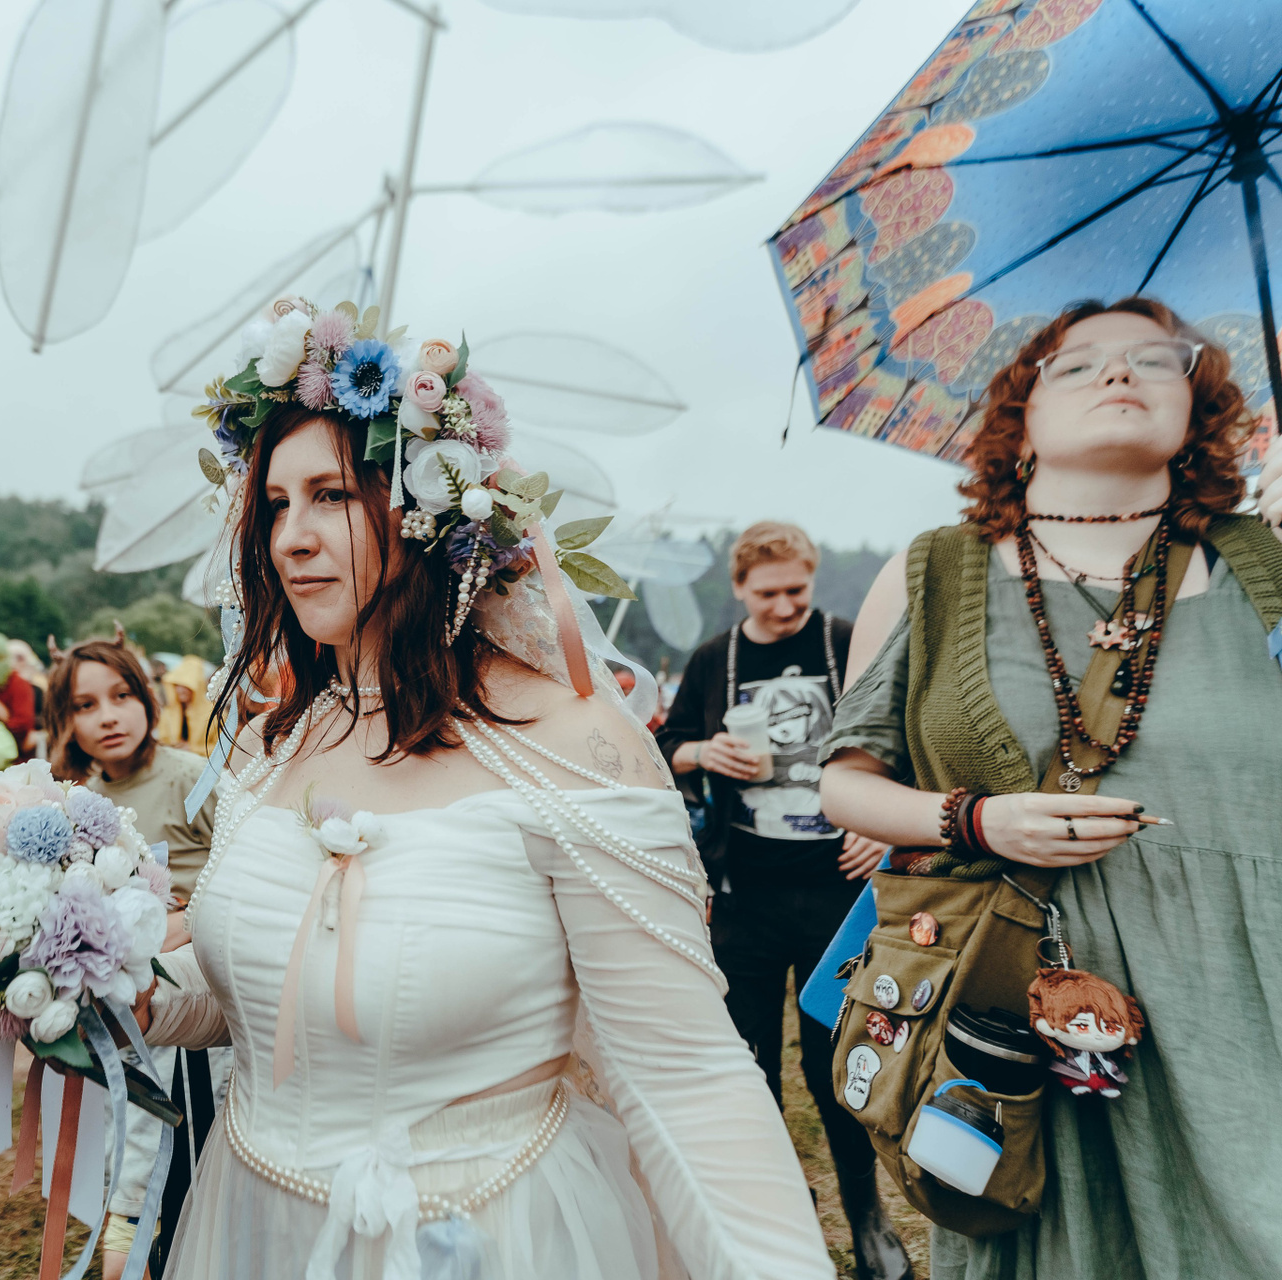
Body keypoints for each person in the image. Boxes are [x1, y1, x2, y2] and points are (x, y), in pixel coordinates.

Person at [136, 298, 833, 1278]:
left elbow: (683, 1074)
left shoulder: (570, 744)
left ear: (430, 510)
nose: (291, 536)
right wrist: (125, 991)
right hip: (254, 1230)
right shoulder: (267, 742)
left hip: (490, 1235)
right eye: (276, 504)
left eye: (331, 495)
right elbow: (252, 986)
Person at [820, 296, 1282, 1280]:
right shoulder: (935, 573)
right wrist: (980, 819)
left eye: (1156, 359)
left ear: (1198, 407)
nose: (1119, 372)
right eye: (1077, 364)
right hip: (1021, 1004)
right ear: (1018, 419)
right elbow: (845, 783)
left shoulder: (1264, 566)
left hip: (1249, 996)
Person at [654, 522, 907, 1280]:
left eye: (797, 589)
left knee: (838, 1059)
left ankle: (866, 1216)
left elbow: (902, 738)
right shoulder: (715, 660)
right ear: (739, 589)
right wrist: (702, 751)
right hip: (745, 897)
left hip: (838, 896)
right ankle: (775, 1210)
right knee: (749, 1061)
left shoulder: (846, 642)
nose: (786, 605)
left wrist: (880, 823)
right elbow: (663, 749)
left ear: (812, 578)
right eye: (768, 594)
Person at [45, 633, 223, 1280]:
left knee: (193, 1144)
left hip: (197, 1010)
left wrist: (183, 921)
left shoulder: (192, 778)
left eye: (122, 696)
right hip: (122, 1011)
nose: (108, 716)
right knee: (132, 1142)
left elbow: (245, 873)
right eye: (85, 705)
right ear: (65, 721)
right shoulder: (76, 801)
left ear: (148, 699)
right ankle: (129, 1234)